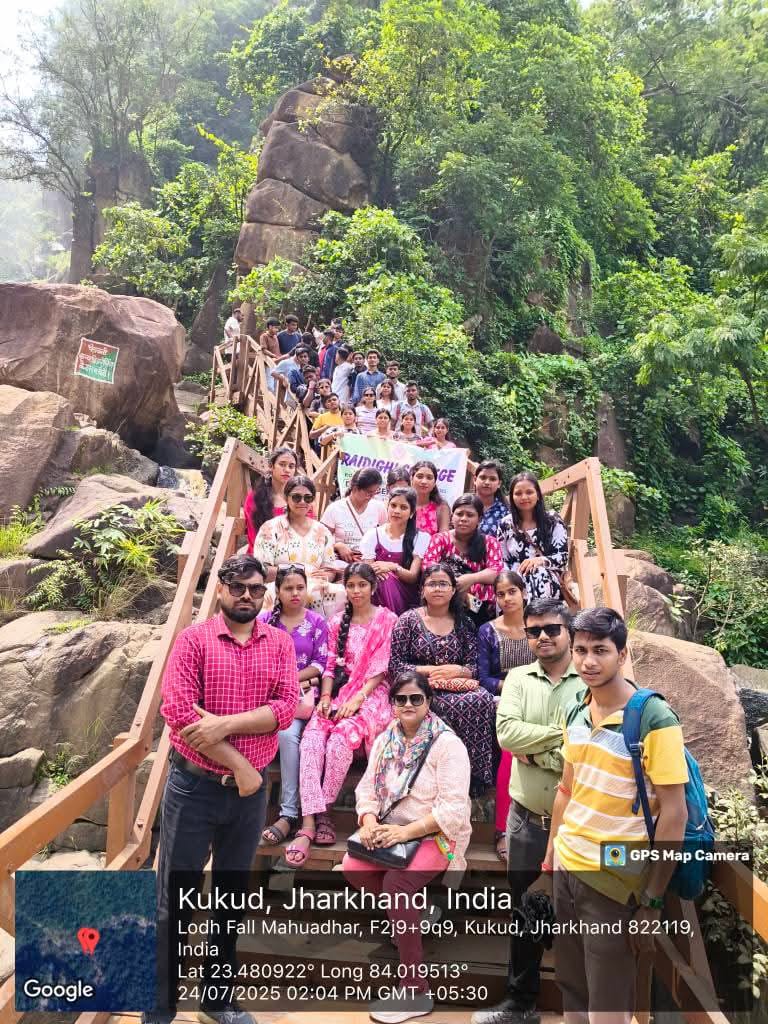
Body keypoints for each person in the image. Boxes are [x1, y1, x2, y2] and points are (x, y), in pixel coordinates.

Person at [152, 554, 298, 1024]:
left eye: (256, 588)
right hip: (194, 789)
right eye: (238, 587)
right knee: (175, 899)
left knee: (231, 899)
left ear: (265, 594)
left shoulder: (279, 643)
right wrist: (241, 765)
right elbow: (179, 712)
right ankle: (160, 1006)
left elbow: (286, 707)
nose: (247, 595)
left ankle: (216, 1002)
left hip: (247, 799)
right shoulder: (193, 641)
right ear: (220, 589)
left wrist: (224, 725)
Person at [541, 607, 688, 1023]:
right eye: (581, 650)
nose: (588, 661)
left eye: (601, 650)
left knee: (608, 1002)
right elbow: (566, 791)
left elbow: (674, 813)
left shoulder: (653, 718)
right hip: (568, 867)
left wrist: (652, 901)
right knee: (572, 987)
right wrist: (549, 862)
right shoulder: (577, 711)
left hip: (614, 878)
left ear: (622, 655)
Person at [471, 599, 582, 1024]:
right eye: (534, 631)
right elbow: (507, 735)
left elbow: (587, 749)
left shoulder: (588, 679)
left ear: (569, 631)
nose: (542, 637)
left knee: (579, 914)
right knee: (524, 912)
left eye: (552, 629)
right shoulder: (518, 678)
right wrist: (561, 740)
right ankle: (520, 1003)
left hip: (577, 825)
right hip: (527, 821)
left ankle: (581, 1009)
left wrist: (537, 754)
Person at [343, 671, 472, 1024]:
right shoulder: (386, 739)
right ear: (393, 704)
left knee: (396, 885)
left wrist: (404, 833)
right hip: (391, 832)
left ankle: (415, 988)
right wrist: (369, 821)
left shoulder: (447, 745)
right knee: (353, 867)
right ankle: (416, 914)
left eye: (416, 698)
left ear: (428, 701)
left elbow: (453, 810)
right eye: (401, 699)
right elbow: (366, 789)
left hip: (436, 834)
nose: (409, 704)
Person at [289, 564, 397, 865]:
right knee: (311, 740)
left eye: (363, 585)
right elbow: (329, 666)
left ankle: (323, 810)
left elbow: (381, 669)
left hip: (372, 694)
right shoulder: (336, 621)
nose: (357, 591)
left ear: (373, 587)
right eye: (351, 585)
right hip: (339, 691)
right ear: (345, 588)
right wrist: (325, 697)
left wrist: (358, 698)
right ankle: (310, 821)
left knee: (339, 741)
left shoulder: (387, 619)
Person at [389, 563, 497, 794]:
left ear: (453, 589)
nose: (437, 589)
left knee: (482, 700)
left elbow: (475, 667)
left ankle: (473, 776)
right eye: (432, 584)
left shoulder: (464, 622)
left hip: (458, 685)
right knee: (439, 704)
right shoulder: (407, 621)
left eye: (443, 584)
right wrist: (430, 671)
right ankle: (433, 775)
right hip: (421, 688)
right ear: (422, 589)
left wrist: (457, 671)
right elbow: (396, 666)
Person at [259, 567, 329, 847]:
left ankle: (288, 813)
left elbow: (319, 665)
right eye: (288, 588)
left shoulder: (316, 622)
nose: (295, 593)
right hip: (264, 697)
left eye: (300, 587)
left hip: (299, 701)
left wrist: (287, 679)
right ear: (277, 591)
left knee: (287, 735)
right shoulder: (265, 621)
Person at [478, 572, 536, 864]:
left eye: (512, 591)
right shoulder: (488, 631)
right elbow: (483, 677)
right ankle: (502, 829)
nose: (507, 598)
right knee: (511, 751)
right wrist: (514, 687)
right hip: (503, 697)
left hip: (538, 694)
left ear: (523, 592)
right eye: (500, 594)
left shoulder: (538, 627)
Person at [253, 475, 343, 616]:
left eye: (308, 498)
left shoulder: (322, 531)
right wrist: (299, 573)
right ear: (286, 498)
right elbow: (262, 570)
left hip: (316, 587)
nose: (302, 502)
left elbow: (330, 569)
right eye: (296, 497)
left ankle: (323, 629)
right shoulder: (270, 528)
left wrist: (327, 576)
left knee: (341, 593)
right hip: (279, 586)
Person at [423, 494, 504, 627]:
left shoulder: (489, 542)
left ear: (479, 519)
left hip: (478, 607)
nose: (463, 519)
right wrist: (454, 585)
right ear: (452, 516)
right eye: (459, 514)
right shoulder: (440, 539)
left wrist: (470, 579)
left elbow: (496, 572)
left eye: (470, 515)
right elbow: (428, 565)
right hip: (445, 597)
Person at [497, 471, 569, 602]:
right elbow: (503, 560)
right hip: (516, 577)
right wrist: (510, 579)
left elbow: (563, 557)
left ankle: (541, 614)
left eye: (529, 492)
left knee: (538, 573)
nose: (524, 497)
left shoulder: (552, 520)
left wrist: (540, 561)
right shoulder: (505, 524)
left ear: (538, 495)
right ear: (512, 497)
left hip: (546, 576)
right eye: (518, 493)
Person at [361, 486, 430, 615]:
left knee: (386, 578)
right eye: (393, 505)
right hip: (377, 588)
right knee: (380, 578)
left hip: (407, 594)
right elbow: (368, 569)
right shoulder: (373, 534)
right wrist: (378, 571)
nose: (397, 511)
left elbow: (413, 577)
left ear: (412, 513)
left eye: (403, 507)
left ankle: (392, 620)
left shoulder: (420, 537)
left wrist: (392, 567)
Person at [244, 447, 311, 554]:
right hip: (262, 555)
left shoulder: (302, 499)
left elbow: (309, 533)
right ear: (271, 466)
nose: (287, 470)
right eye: (282, 464)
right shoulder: (255, 498)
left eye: (291, 466)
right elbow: (254, 536)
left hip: (296, 556)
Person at [321, 468, 387, 563]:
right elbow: (321, 538)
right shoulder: (334, 509)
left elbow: (387, 536)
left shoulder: (379, 507)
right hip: (342, 562)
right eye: (369, 493)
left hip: (370, 561)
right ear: (355, 488)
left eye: (375, 492)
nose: (372, 497)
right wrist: (337, 545)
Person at [411, 459, 450, 536]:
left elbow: (444, 538)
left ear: (434, 483)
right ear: (411, 479)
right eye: (419, 476)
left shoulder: (441, 507)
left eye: (429, 478)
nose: (424, 481)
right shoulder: (404, 504)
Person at [474, 460, 509, 537]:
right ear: (475, 480)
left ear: (499, 484)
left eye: (492, 479)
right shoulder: (464, 505)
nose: (487, 482)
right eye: (483, 477)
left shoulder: (505, 513)